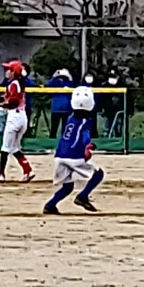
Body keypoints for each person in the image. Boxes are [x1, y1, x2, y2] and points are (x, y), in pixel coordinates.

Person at [44, 85, 105, 214]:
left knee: (67, 186)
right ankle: (83, 196)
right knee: (99, 174)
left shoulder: (70, 118)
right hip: (74, 156)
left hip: (60, 155)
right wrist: (88, 146)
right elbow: (84, 138)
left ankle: (50, 205)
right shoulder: (86, 121)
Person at [0, 60, 34, 183]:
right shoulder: (18, 83)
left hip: (15, 117)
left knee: (5, 147)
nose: (6, 71)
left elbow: (13, 103)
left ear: (14, 72)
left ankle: (1, 174)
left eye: (9, 70)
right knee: (14, 147)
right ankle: (28, 170)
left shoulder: (14, 84)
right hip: (22, 117)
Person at [47, 68, 74, 138]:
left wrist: (69, 76)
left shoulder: (68, 82)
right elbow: (49, 85)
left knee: (65, 128)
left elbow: (72, 84)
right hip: (56, 108)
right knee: (54, 127)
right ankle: (52, 141)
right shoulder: (56, 82)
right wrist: (54, 76)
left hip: (66, 108)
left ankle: (64, 141)